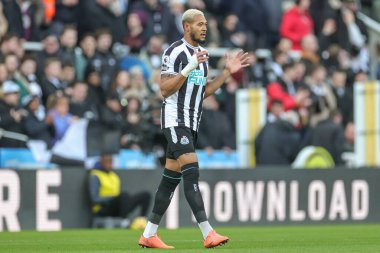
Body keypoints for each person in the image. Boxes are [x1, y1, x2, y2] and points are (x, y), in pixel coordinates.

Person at [138, 9, 250, 249]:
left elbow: (204, 91)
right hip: (175, 119)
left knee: (170, 179)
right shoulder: (175, 51)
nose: (204, 28)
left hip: (191, 122)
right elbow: (165, 89)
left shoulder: (202, 56)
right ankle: (208, 232)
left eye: (206, 24)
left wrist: (227, 73)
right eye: (199, 24)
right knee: (192, 170)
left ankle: (149, 233)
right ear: (186, 26)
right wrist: (187, 68)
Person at [89, 153, 151, 223]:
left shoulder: (114, 175)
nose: (110, 164)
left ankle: (141, 221)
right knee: (123, 195)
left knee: (145, 195)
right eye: (107, 162)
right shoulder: (95, 175)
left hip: (118, 207)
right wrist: (112, 197)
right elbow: (94, 199)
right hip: (103, 208)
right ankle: (124, 222)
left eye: (111, 162)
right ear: (101, 162)